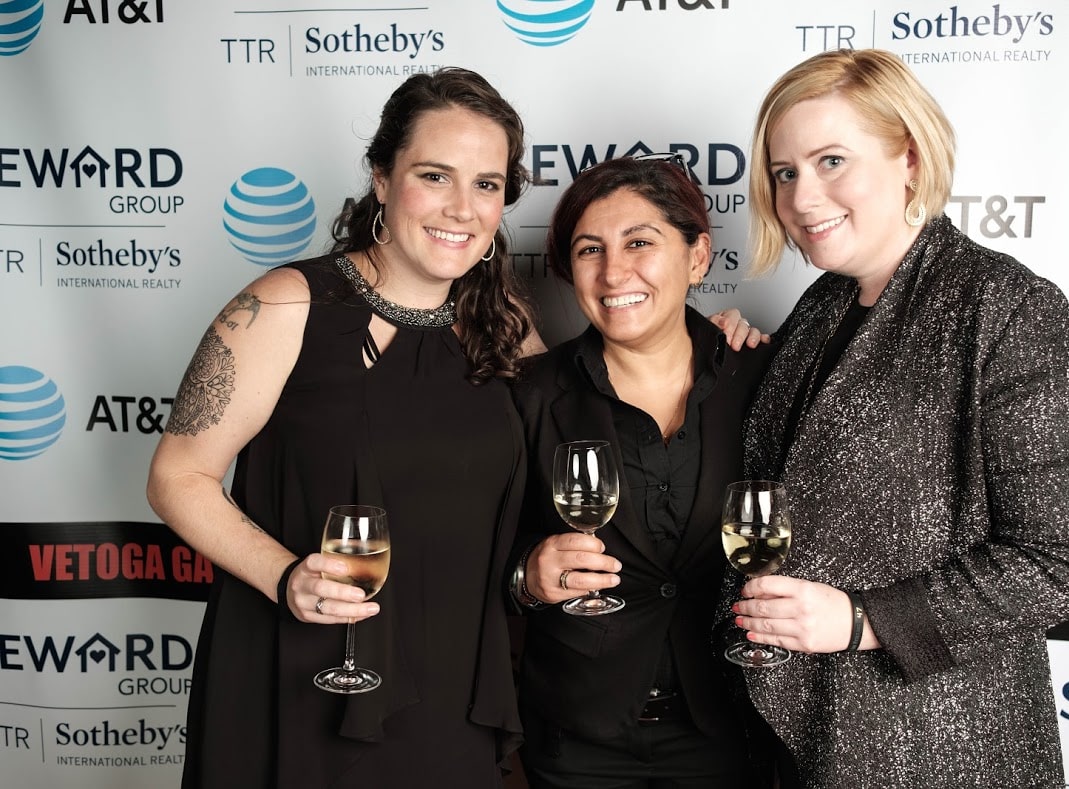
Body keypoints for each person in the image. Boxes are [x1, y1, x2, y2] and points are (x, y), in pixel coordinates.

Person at [721, 48, 1069, 787]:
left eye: (831, 161)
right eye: (785, 173)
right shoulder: (821, 306)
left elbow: (1067, 562)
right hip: (804, 734)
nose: (803, 197)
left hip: (940, 742)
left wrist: (863, 620)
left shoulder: (1004, 309)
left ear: (908, 157)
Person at [146, 68, 545, 788]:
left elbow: (590, 420)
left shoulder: (504, 324)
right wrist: (285, 576)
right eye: (434, 175)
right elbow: (178, 476)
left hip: (452, 689)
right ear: (382, 180)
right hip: (306, 674)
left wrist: (713, 337)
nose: (462, 207)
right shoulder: (284, 305)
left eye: (486, 184)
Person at [509, 155, 778, 788]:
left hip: (730, 727)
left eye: (639, 243)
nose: (613, 272)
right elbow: (471, 556)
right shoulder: (527, 394)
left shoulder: (766, 377)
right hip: (578, 739)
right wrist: (526, 577)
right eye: (589, 250)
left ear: (698, 256)